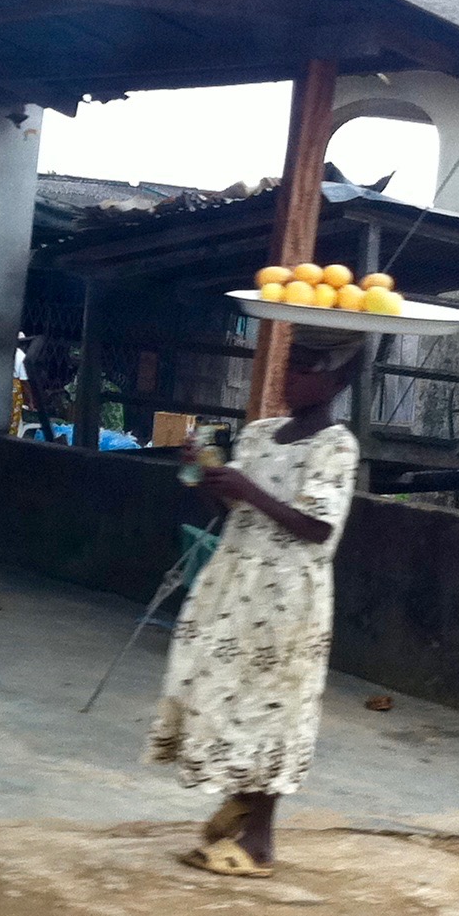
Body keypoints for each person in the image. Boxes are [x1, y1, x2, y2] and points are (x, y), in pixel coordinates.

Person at [150, 334, 363, 878]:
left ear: (337, 380)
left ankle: (261, 839)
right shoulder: (261, 433)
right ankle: (241, 801)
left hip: (288, 592)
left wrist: (248, 490)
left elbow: (317, 526)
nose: (289, 377)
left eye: (306, 368)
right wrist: (205, 474)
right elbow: (232, 507)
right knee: (222, 688)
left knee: (274, 702)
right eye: (288, 365)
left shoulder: (335, 446)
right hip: (235, 578)